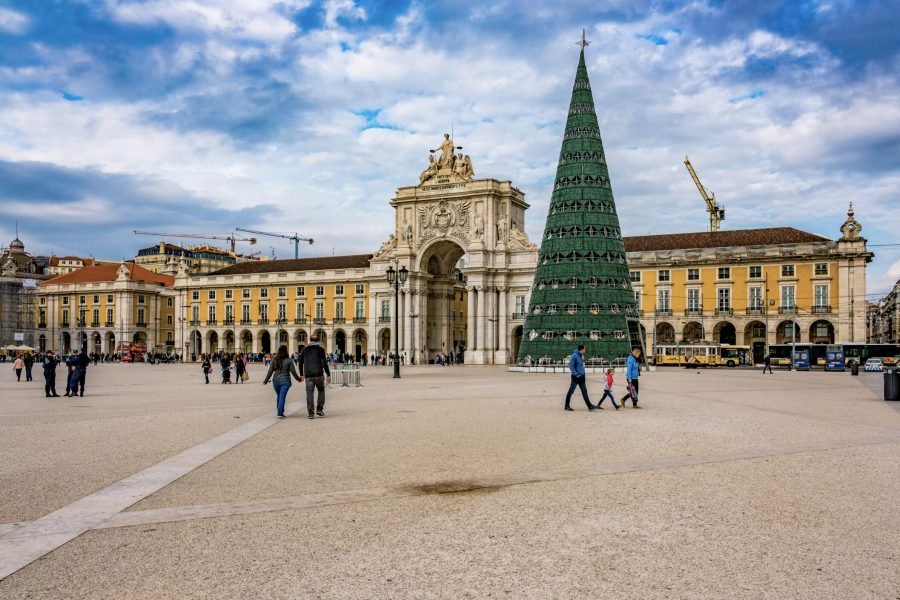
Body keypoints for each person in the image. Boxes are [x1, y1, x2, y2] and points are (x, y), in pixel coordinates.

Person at [262, 345, 302, 418]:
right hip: (285, 381)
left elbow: (270, 371)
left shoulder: (274, 359)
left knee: (279, 396)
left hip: (276, 381)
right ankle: (280, 413)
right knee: (282, 396)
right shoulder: (289, 360)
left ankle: (280, 411)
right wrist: (298, 379)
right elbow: (293, 371)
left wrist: (265, 380)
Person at [299, 334, 331, 419]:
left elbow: (300, 362)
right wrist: (328, 374)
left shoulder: (304, 349)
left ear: (309, 340)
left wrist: (301, 374)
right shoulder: (321, 349)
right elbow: (324, 362)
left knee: (309, 393)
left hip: (308, 375)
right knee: (321, 390)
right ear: (317, 341)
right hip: (319, 374)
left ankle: (311, 413)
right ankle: (319, 409)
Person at [564, 345, 597, 412]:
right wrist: (576, 374)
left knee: (585, 392)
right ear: (581, 350)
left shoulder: (581, 355)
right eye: (585, 349)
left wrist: (582, 373)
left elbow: (580, 366)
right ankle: (566, 406)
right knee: (571, 391)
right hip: (576, 377)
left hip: (582, 377)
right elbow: (571, 366)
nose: (585, 350)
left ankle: (590, 406)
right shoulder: (574, 355)